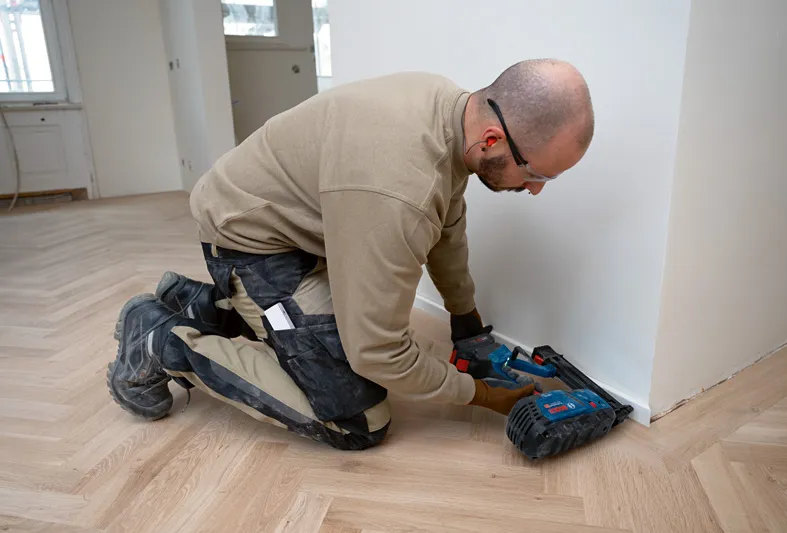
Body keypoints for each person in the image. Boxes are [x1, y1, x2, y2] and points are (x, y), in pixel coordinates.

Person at [106, 59, 595, 450]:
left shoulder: (449, 108)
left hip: (305, 227)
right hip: (252, 242)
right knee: (357, 418)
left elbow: (447, 227)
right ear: (492, 141)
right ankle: (161, 339)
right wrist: (483, 396)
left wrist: (466, 321)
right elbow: (378, 351)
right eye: (538, 175)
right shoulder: (397, 190)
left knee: (344, 344)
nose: (535, 190)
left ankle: (201, 305)